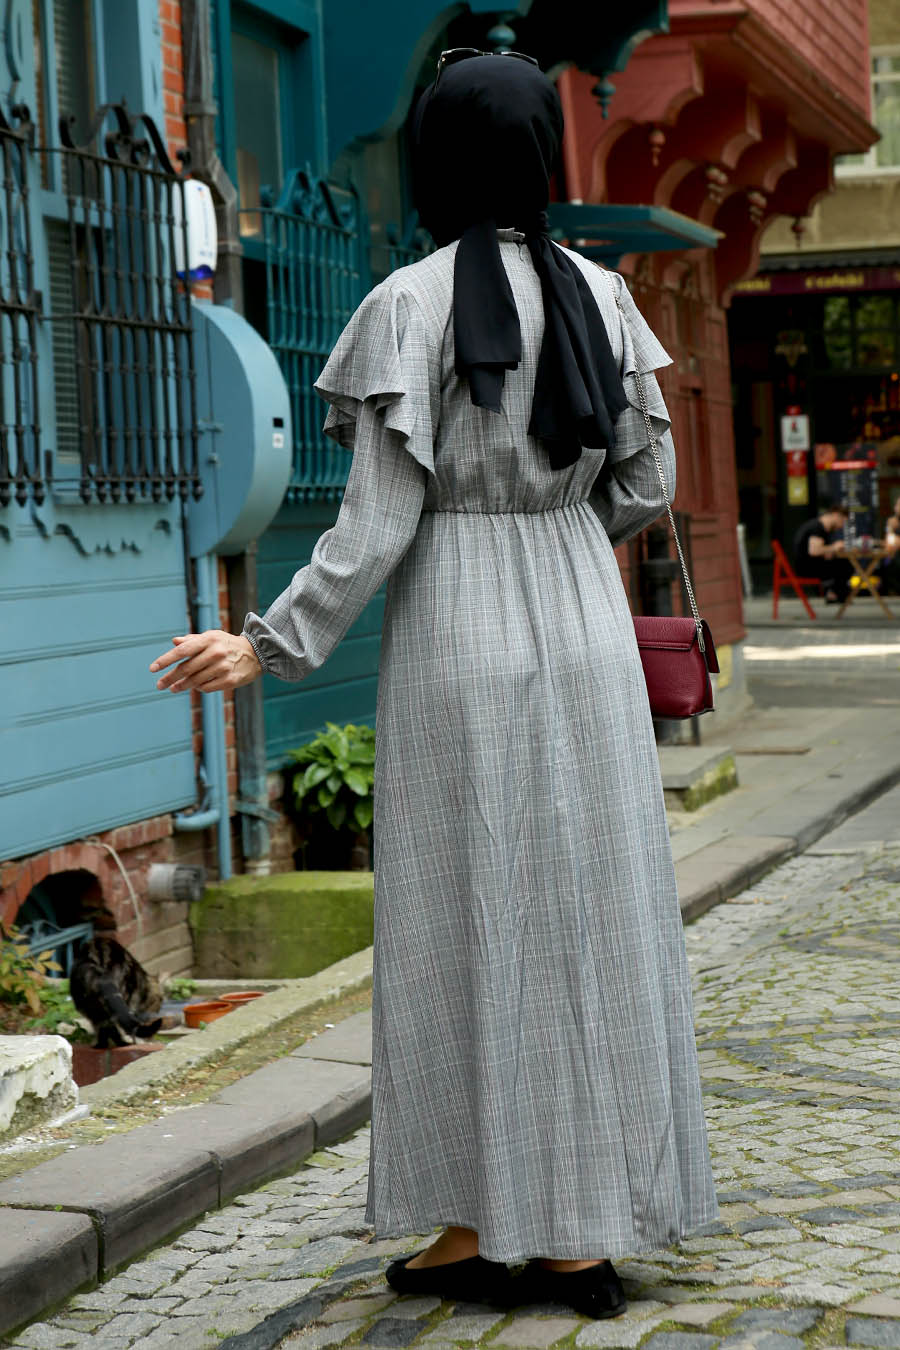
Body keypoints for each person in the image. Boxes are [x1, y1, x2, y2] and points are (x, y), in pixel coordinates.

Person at [150, 52, 718, 1320]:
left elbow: (371, 528)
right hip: (582, 626)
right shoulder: (609, 302)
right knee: (591, 914)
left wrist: (269, 641)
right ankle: (577, 1240)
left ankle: (476, 1225)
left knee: (460, 923)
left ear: (436, 157)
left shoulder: (406, 304)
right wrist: (556, 534)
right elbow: (646, 489)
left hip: (459, 631)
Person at [792, 498, 851, 603]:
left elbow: (820, 552)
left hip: (808, 564)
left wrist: (829, 551)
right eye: (842, 521)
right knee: (844, 564)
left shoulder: (821, 528)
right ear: (836, 515)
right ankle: (835, 594)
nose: (841, 526)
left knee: (842, 562)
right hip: (805, 567)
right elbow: (814, 551)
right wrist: (834, 547)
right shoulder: (817, 527)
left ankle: (833, 593)